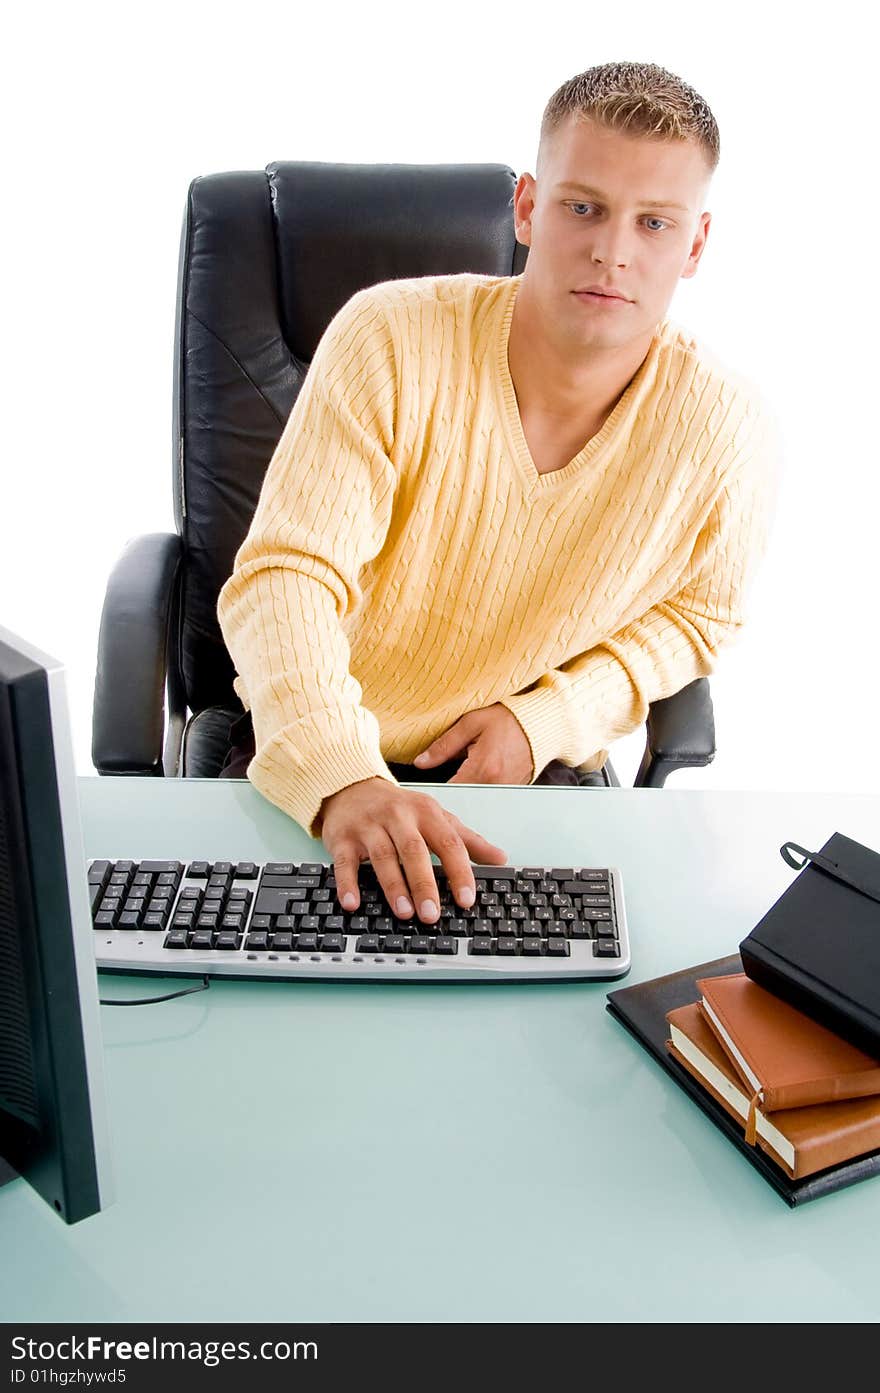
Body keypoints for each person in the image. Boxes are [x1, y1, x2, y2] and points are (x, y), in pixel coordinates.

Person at [216, 60, 778, 931]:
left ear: (696, 244)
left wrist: (547, 718)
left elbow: (702, 617)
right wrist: (343, 776)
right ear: (526, 207)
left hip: (530, 776)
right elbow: (286, 575)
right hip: (322, 745)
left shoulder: (725, 428)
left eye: (654, 223)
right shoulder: (391, 338)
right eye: (581, 206)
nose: (612, 251)